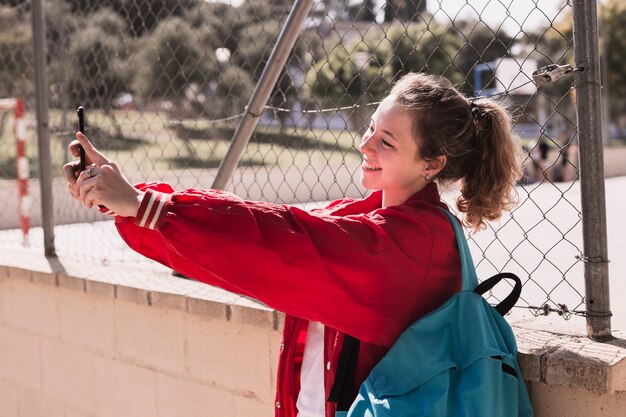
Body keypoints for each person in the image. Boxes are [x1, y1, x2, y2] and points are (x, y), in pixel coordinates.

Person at [64, 73, 523, 417]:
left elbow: (280, 242)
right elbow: (259, 228)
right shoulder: (364, 217)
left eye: (386, 141)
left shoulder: (415, 243)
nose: (365, 144)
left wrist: (146, 205)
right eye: (370, 127)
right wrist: (129, 199)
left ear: (432, 164)